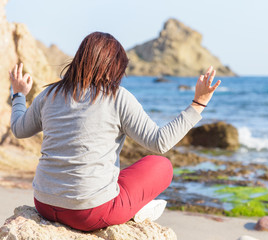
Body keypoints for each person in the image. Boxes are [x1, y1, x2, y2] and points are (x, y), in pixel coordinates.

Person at [9, 32, 221, 231]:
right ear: (114, 67)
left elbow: (19, 129)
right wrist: (198, 103)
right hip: (88, 213)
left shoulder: (50, 94)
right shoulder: (117, 97)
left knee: (117, 175)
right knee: (161, 165)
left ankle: (125, 205)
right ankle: (133, 210)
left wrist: (18, 94)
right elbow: (160, 142)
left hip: (45, 204)